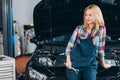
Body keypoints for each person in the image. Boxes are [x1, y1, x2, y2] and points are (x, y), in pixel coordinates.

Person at [65, 4, 111, 80]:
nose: (87, 17)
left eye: (90, 15)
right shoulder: (79, 29)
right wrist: (68, 61)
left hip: (90, 63)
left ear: (96, 15)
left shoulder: (101, 29)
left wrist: (103, 64)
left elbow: (101, 49)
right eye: (86, 15)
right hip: (75, 63)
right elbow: (69, 47)